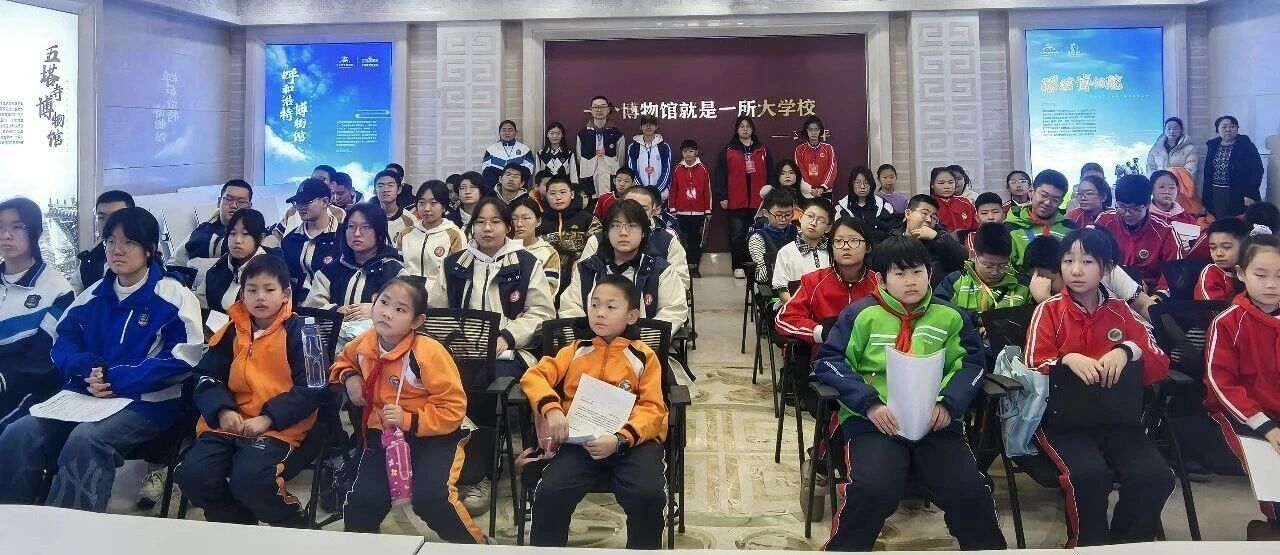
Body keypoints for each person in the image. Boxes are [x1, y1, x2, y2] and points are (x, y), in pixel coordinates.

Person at [0, 207, 202, 511]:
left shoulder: (172, 294)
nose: (117, 250)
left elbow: (183, 356)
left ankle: (69, 528)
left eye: (129, 242)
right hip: (86, 395)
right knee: (20, 432)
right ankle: (12, 518)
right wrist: (86, 369)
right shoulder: (93, 295)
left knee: (86, 440)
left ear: (149, 249)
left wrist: (114, 379)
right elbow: (62, 340)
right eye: (110, 241)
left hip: (146, 402)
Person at [813, 235, 1006, 552]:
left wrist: (948, 404)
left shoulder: (951, 317)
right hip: (874, 423)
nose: (911, 281)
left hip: (936, 422)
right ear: (881, 279)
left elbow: (971, 365)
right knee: (873, 488)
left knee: (969, 489)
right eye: (900, 273)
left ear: (929, 273)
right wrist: (869, 403)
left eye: (917, 271)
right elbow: (829, 362)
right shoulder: (860, 315)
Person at [1025, 228, 1173, 547]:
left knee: (1156, 477)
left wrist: (1128, 350)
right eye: (1068, 261)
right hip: (1063, 423)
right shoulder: (1048, 310)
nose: (1076, 270)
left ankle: (1127, 544)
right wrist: (1066, 359)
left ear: (1106, 268)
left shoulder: (1121, 310)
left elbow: (1159, 361)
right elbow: (1032, 364)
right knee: (1089, 477)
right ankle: (1087, 545)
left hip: (1118, 419)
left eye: (1088, 261)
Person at [332, 276, 486, 542]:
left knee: (431, 499)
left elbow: (453, 409)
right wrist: (350, 377)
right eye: (384, 302)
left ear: (416, 321)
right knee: (363, 503)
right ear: (373, 302)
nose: (387, 313)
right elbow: (341, 362)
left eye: (400, 309)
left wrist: (408, 419)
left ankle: (476, 546)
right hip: (385, 434)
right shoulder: (364, 343)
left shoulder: (428, 352)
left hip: (436, 434)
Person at [428, 198, 556, 514]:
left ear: (508, 227)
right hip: (460, 351)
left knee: (484, 384)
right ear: (472, 226)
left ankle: (479, 475)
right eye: (481, 222)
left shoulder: (526, 263)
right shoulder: (455, 264)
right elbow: (436, 311)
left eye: (496, 221)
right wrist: (453, 340)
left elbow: (541, 312)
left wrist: (506, 336)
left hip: (512, 352)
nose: (487, 228)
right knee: (436, 380)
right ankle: (444, 464)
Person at [523, 274, 668, 548]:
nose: (600, 313)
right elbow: (534, 376)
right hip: (580, 440)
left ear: (632, 316)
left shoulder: (644, 356)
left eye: (611, 307)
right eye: (595, 304)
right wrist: (552, 409)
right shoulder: (574, 350)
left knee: (648, 496)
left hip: (631, 443)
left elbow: (653, 409)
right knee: (550, 493)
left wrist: (620, 438)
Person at [173, 255, 319, 527]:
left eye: (269, 289)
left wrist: (268, 418)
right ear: (242, 294)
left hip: (279, 427)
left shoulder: (305, 333)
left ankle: (295, 526)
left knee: (250, 480)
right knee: (192, 476)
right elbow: (206, 375)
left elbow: (314, 388)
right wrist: (223, 410)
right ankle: (238, 524)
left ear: (286, 294)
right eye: (251, 290)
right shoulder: (231, 330)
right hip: (229, 423)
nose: (260, 297)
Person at [1203, 234, 1280, 537]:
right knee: (1272, 473)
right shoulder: (1228, 322)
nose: (1272, 285)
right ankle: (1271, 527)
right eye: (1261, 275)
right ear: (1242, 273)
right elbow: (1220, 381)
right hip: (1241, 416)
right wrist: (1265, 425)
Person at [0, 198, 75, 427]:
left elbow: (40, 362)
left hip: (26, 390)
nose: (5, 235)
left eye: (16, 227)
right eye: (0, 227)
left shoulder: (57, 290)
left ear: (36, 232)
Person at [559, 199, 688, 331]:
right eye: (616, 226)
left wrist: (641, 338)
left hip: (644, 342)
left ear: (644, 232)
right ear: (606, 233)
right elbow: (570, 307)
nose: (623, 233)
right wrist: (591, 337)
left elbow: (673, 310)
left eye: (631, 225)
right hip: (592, 341)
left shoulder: (660, 270)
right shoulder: (588, 269)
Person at [775, 216, 878, 347]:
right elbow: (784, 319)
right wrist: (820, 332)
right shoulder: (813, 281)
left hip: (871, 354)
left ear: (868, 247)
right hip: (825, 353)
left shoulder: (879, 283)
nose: (846, 246)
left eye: (854, 240)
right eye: (838, 241)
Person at [304, 203, 408, 320]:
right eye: (351, 226)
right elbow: (311, 308)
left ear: (379, 231)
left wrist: (377, 310)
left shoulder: (396, 273)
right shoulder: (330, 271)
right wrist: (335, 312)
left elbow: (406, 311)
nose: (357, 233)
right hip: (336, 331)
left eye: (366, 227)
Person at [579, 186, 689, 289]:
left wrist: (649, 295)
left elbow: (681, 282)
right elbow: (582, 280)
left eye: (644, 208)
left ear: (653, 211)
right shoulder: (597, 240)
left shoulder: (667, 240)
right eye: (630, 206)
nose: (636, 213)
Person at [1023, 234, 1156, 320]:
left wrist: (1164, 331)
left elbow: (1143, 304)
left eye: (1050, 281)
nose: (1042, 286)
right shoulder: (1041, 295)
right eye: (1033, 279)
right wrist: (1045, 302)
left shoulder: (1104, 270)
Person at [1094, 174, 1184, 291]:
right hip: (1108, 287)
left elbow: (1174, 273)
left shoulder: (1165, 231)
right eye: (1121, 207)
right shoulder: (1104, 222)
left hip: (1149, 291)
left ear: (1148, 204)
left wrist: (1158, 295)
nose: (1127, 213)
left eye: (1135, 209)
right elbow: (1090, 258)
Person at [715, 115, 774, 279]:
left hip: (759, 201)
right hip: (736, 200)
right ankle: (738, 266)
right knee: (737, 235)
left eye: (748, 126)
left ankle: (755, 267)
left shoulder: (763, 149)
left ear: (753, 129)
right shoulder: (728, 149)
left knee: (757, 234)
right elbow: (720, 174)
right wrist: (722, 196)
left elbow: (771, 173)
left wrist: (770, 193)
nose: (745, 129)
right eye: (742, 126)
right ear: (737, 129)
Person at [935, 222, 1031, 315]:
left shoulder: (1024, 286)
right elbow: (939, 309)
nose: (995, 272)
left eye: (1003, 266)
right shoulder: (955, 281)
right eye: (988, 266)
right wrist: (976, 318)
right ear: (973, 256)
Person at [192, 209, 273, 313]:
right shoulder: (219, 266)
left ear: (261, 238)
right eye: (233, 233)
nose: (237, 240)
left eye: (245, 234)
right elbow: (200, 302)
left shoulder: (271, 272)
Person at [275, 179, 342, 304]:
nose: (300, 207)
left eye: (306, 202)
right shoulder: (290, 240)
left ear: (325, 202)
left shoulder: (343, 236)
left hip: (333, 307)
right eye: (297, 202)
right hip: (296, 308)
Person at [1005, 169, 1077, 272]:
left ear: (1061, 202)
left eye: (1055, 199)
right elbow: (1006, 268)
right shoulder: (1011, 227)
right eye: (1043, 195)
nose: (1047, 203)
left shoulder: (1070, 229)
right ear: (1031, 192)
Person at [538, 176, 602, 289]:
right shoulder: (538, 221)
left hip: (580, 277)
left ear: (572, 194)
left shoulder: (588, 219)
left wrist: (582, 264)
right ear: (546, 196)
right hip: (544, 277)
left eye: (563, 192)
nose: (558, 197)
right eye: (552, 193)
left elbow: (599, 248)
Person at [891, 194, 967, 286]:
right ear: (908, 214)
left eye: (933, 217)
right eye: (924, 213)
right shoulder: (891, 238)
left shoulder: (940, 238)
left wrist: (936, 238)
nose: (929, 220)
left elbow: (963, 262)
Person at [174, 179, 253, 266]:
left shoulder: (254, 236)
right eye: (229, 199)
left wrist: (199, 265)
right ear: (219, 202)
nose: (234, 205)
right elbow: (175, 262)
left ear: (249, 207)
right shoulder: (202, 230)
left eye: (241, 202)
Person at [771, 197, 835, 304]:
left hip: (830, 306)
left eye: (821, 220)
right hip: (796, 307)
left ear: (828, 228)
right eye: (810, 216)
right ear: (800, 217)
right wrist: (801, 309)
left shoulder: (834, 250)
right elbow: (783, 292)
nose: (813, 223)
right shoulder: (786, 252)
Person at [399, 180, 465, 282]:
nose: (426, 208)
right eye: (421, 203)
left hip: (439, 291)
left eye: (433, 203)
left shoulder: (455, 235)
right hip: (406, 289)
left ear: (444, 207)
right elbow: (398, 266)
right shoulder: (406, 233)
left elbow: (457, 273)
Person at [1203, 115, 1265, 219]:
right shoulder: (1212, 146)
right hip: (1217, 191)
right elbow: (1208, 172)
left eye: (1232, 126)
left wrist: (1250, 193)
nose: (1228, 129)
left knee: (1239, 222)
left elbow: (1257, 170)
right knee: (1220, 220)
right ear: (1217, 130)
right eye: (1224, 127)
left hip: (1240, 191)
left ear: (1237, 128)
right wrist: (1206, 195)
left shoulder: (1246, 145)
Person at [669, 139, 713, 278]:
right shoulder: (677, 169)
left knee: (695, 240)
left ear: (696, 152)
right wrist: (672, 208)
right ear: (682, 153)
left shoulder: (703, 169)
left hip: (698, 213)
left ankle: (693, 267)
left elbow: (707, 190)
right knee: (681, 240)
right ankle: (681, 268)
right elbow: (673, 189)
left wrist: (708, 210)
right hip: (680, 212)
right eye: (685, 151)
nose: (688, 154)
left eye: (691, 151)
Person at [75, 190, 134, 292]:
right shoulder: (91, 257)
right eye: (102, 218)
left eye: (116, 216)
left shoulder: (144, 256)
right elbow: (73, 292)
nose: (107, 224)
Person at [747, 188, 798, 297]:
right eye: (778, 215)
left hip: (799, 285)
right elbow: (761, 276)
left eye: (788, 214)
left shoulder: (798, 233)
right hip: (773, 289)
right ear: (766, 213)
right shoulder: (757, 238)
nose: (783, 219)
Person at [576, 96, 627, 198]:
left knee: (610, 204)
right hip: (589, 179)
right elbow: (579, 159)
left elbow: (621, 160)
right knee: (591, 204)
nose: (599, 110)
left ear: (608, 109)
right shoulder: (582, 134)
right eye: (596, 107)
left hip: (610, 178)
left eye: (603, 106)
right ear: (591, 110)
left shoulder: (617, 134)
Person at [510, 195, 562, 295]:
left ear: (538, 221)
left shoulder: (549, 253)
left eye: (526, 218)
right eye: (514, 219)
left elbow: (549, 291)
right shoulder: (503, 249)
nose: (519, 224)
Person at [1195, 218, 1251, 301]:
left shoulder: (1253, 269)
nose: (1218, 254)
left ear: (1245, 246)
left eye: (1226, 247)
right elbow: (1213, 308)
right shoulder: (1211, 275)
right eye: (1213, 248)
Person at [627, 114, 674, 200]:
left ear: (656, 127)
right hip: (640, 194)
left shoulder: (664, 147)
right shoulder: (633, 147)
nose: (648, 127)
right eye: (645, 124)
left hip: (660, 194)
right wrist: (642, 190)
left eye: (651, 124)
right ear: (641, 127)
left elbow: (666, 171)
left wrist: (656, 191)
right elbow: (632, 170)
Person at [481, 119, 535, 192]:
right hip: (495, 190)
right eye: (503, 130)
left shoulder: (524, 149)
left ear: (515, 132)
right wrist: (499, 187)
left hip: (518, 188)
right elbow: (486, 170)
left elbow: (528, 170)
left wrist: (514, 181)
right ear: (499, 133)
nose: (507, 133)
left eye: (510, 130)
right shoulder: (491, 149)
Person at [794, 115, 837, 199]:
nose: (813, 133)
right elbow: (799, 171)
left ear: (820, 131)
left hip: (825, 191)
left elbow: (832, 169)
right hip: (807, 191)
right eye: (810, 130)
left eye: (816, 129)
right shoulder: (800, 150)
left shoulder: (828, 148)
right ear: (806, 131)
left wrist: (823, 187)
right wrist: (809, 189)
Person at [1146, 117, 1199, 183]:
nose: (1172, 131)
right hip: (1159, 186)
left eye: (1175, 129)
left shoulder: (1190, 149)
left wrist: (1172, 182)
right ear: (1164, 130)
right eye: (1169, 128)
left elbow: (1191, 171)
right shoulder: (1156, 149)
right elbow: (1150, 167)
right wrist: (1157, 182)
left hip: (1179, 186)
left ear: (1181, 130)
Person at [373, 170, 418, 244]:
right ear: (375, 191)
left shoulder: (409, 219)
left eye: (390, 185)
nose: (385, 190)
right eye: (380, 186)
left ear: (399, 190)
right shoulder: (368, 217)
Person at [928, 167, 976, 234]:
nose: (947, 187)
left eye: (950, 182)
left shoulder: (966, 203)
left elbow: (976, 228)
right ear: (932, 185)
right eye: (941, 183)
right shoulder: (927, 204)